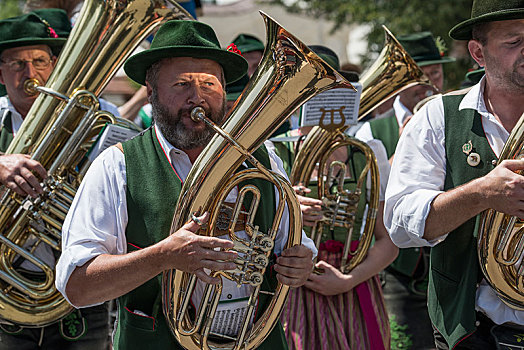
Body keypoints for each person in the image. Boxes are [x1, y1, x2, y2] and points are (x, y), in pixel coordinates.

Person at [56, 19, 317, 349]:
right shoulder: (117, 164)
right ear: (151, 93)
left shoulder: (263, 161)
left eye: (209, 84)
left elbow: (295, 245)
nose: (198, 98)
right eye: (181, 85)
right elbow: (78, 286)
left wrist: (300, 262)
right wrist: (163, 256)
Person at [385, 0, 524, 348]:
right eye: (514, 41)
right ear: (478, 53)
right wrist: (481, 193)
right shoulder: (437, 117)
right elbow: (401, 225)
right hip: (477, 330)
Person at [271, 45, 397, 350]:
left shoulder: (366, 152)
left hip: (354, 283)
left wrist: (348, 279)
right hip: (292, 291)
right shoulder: (274, 152)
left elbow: (388, 242)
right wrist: (288, 210)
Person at [0, 10, 111, 349]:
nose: (30, 73)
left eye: (39, 60)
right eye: (16, 63)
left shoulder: (91, 118)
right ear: (0, 71)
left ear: (55, 65)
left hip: (80, 296)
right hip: (7, 290)